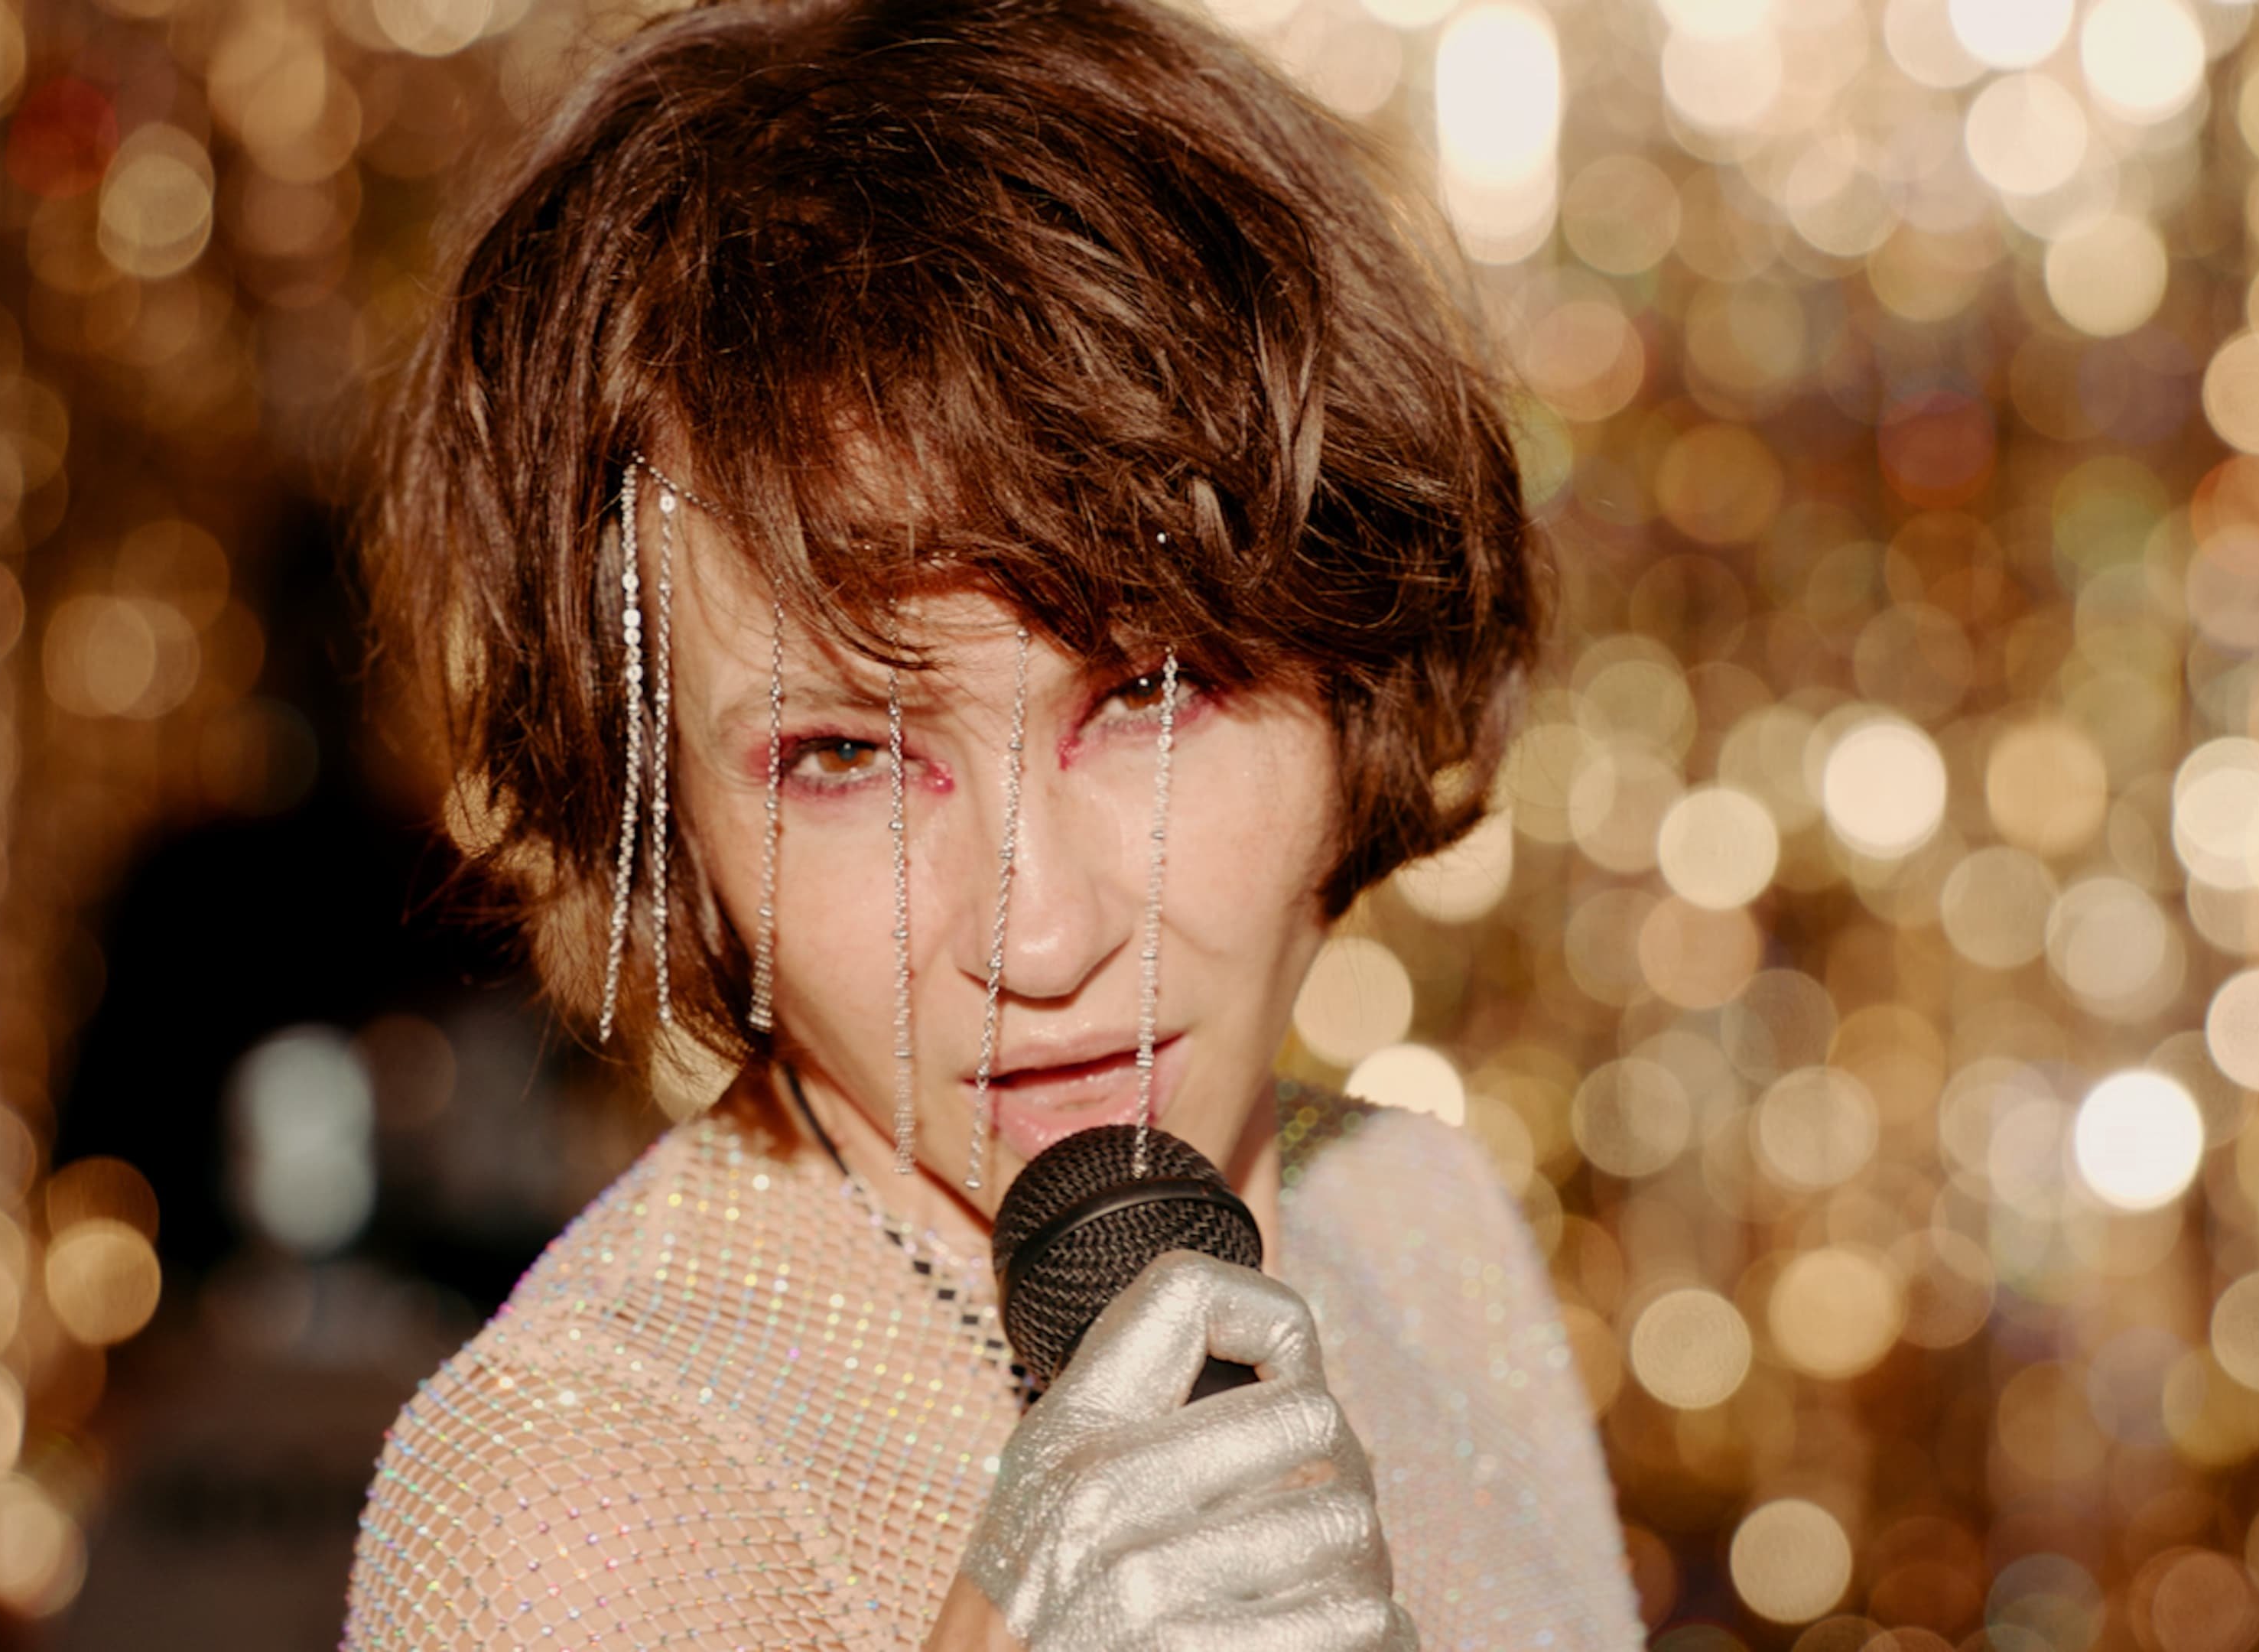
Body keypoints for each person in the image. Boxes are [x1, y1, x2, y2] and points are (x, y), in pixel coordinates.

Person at [338, 1, 1641, 1647]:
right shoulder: (568, 1513)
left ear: (1359, 667)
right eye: (839, 757)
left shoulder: (1416, 1219)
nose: (1040, 936)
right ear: (662, 807)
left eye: (1154, 693)